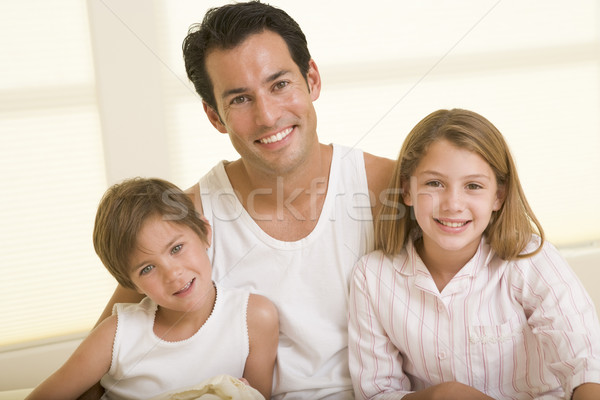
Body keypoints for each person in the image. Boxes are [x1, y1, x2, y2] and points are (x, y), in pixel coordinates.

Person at [94, 1, 395, 399]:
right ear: (214, 116)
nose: (268, 116)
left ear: (312, 80)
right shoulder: (184, 220)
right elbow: (104, 359)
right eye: (239, 99)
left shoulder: (388, 187)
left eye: (280, 84)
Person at [348, 108, 600, 399]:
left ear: (498, 195)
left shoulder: (529, 260)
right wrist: (439, 395)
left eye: (473, 186)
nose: (453, 204)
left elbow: (586, 364)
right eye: (434, 183)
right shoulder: (373, 276)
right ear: (407, 190)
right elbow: (376, 391)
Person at [26, 178, 278, 400]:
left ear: (204, 232)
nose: (172, 274)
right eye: (147, 268)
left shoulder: (255, 318)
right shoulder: (114, 337)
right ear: (130, 284)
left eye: (177, 248)